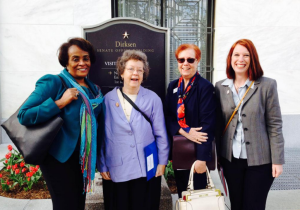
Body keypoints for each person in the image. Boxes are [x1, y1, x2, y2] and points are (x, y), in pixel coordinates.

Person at [17, 38, 105, 210]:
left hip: (82, 159)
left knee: (78, 205)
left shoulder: (93, 89)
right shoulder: (53, 82)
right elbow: (24, 114)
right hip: (58, 159)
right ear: (66, 62)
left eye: (85, 58)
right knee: (65, 205)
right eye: (76, 58)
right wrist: (60, 103)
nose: (82, 63)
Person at [215, 39, 284, 210]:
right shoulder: (220, 87)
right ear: (230, 58)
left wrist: (277, 161)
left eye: (246, 55)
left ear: (252, 59)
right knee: (237, 205)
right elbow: (217, 123)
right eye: (236, 55)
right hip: (231, 160)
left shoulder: (267, 85)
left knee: (254, 205)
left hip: (260, 161)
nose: (241, 59)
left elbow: (275, 124)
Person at [98, 50, 169, 210]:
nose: (135, 73)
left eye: (140, 69)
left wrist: (162, 161)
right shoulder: (108, 100)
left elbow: (161, 134)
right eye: (131, 69)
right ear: (122, 73)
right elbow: (102, 136)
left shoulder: (153, 99)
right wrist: (102, 164)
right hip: (117, 168)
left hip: (146, 167)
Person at [164, 44, 216, 198]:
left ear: (197, 61)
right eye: (181, 59)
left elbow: (208, 124)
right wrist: (184, 131)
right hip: (180, 151)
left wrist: (202, 159)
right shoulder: (173, 86)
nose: (185, 63)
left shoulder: (205, 87)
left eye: (190, 59)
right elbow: (167, 116)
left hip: (197, 153)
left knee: (197, 197)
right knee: (183, 195)